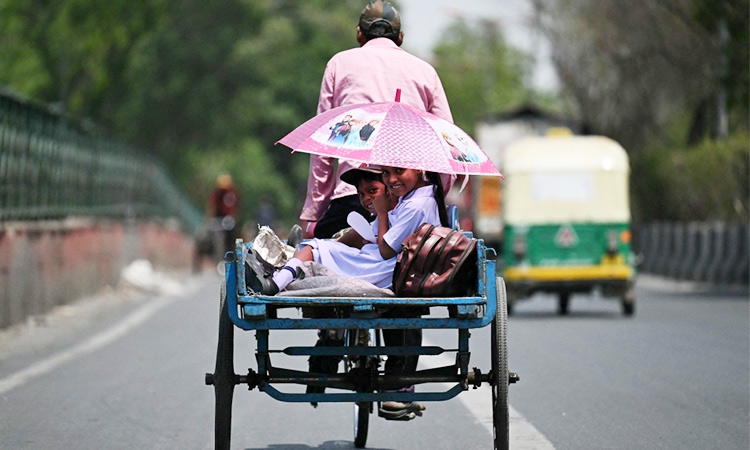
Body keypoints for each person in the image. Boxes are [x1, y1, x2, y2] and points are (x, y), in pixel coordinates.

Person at [246, 165, 449, 419]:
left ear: (419, 170)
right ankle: (299, 263)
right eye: (387, 173)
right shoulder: (413, 199)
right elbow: (367, 235)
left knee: (312, 247)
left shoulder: (415, 205)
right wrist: (333, 247)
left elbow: (385, 248)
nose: (392, 179)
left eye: (397, 172)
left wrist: (383, 211)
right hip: (384, 263)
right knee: (316, 248)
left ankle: (276, 284)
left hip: (383, 268)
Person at [300, 0, 454, 240]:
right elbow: (447, 148)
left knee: (317, 247)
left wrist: (313, 213)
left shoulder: (338, 64)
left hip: (353, 198)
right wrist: (430, 200)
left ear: (359, 34)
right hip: (409, 202)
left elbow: (323, 148)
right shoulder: (426, 72)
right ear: (400, 38)